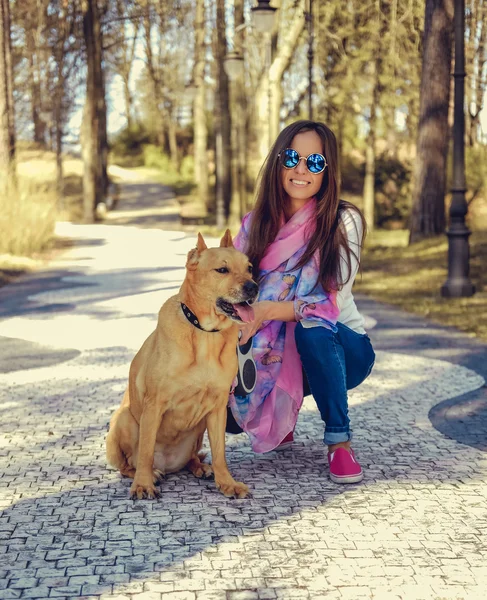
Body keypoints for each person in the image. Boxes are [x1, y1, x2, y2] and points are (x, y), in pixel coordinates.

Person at [227, 119, 375, 484]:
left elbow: (328, 302)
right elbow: (229, 286)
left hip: (342, 347)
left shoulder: (343, 221)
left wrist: (262, 312)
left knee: (312, 329)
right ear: (278, 161)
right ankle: (281, 418)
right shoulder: (255, 224)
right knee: (231, 416)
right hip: (270, 348)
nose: (300, 169)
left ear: (327, 171)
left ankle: (339, 441)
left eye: (315, 162)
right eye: (292, 157)